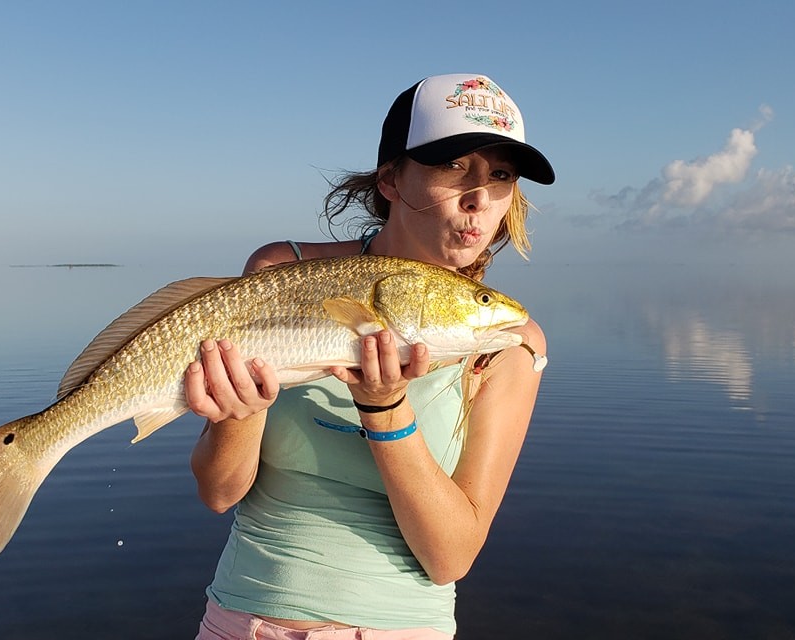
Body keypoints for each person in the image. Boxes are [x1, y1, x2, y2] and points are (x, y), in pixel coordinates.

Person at [186, 73, 555, 639]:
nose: (480, 198)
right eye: (453, 165)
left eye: (500, 175)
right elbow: (218, 493)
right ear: (390, 179)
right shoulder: (284, 273)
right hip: (241, 621)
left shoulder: (508, 339)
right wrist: (240, 413)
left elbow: (450, 558)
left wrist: (386, 410)